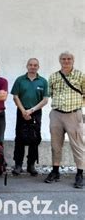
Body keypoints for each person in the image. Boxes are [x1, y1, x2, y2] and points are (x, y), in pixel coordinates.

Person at [45, 51, 84, 189]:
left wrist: (79, 108)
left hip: (74, 114)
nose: (66, 61)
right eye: (63, 59)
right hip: (56, 114)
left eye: (69, 59)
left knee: (78, 145)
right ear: (60, 60)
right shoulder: (54, 76)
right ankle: (55, 171)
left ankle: (80, 174)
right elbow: (49, 94)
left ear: (73, 60)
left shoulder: (80, 75)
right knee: (55, 145)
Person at [11, 58, 49, 177]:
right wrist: (23, 110)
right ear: (27, 66)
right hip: (22, 111)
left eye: (35, 65)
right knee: (19, 138)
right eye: (31, 65)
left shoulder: (43, 81)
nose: (33, 67)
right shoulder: (20, 80)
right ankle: (18, 165)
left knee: (35, 138)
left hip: (36, 112)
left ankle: (31, 165)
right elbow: (15, 96)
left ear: (38, 67)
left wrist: (32, 110)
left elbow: (45, 99)